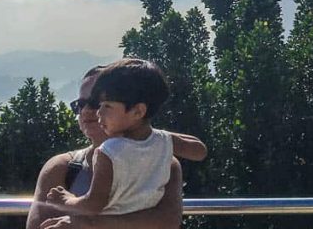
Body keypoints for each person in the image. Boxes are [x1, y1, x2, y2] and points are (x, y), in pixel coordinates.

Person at [44, 59, 207, 217]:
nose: (98, 112)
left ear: (138, 111)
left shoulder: (108, 153)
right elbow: (199, 151)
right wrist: (154, 135)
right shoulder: (162, 143)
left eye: (106, 106)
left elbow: (93, 205)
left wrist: (67, 200)